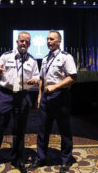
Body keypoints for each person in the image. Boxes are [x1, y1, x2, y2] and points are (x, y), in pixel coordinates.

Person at [0, 31, 39, 173]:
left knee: (20, 130)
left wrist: (35, 80)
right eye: (22, 41)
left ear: (29, 44)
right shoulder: (6, 56)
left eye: (27, 42)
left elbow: (36, 77)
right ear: (17, 41)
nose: (24, 44)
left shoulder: (32, 60)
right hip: (5, 95)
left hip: (22, 96)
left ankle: (18, 159)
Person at [27, 30, 77, 173]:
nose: (48, 41)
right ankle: (41, 158)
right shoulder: (45, 59)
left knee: (64, 131)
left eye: (52, 39)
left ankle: (66, 160)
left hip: (61, 97)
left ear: (59, 41)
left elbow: (73, 78)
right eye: (47, 39)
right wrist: (39, 95)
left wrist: (55, 86)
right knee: (42, 130)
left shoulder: (66, 57)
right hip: (45, 99)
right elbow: (42, 79)